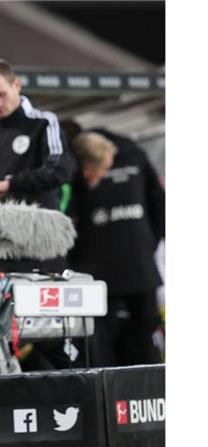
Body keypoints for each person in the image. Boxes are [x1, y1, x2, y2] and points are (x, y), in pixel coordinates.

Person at [67, 130, 164, 366]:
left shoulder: (132, 155)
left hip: (109, 274)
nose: (99, 176)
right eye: (98, 172)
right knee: (134, 335)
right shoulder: (74, 170)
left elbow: (160, 206)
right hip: (129, 272)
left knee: (108, 341)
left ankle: (131, 393)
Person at [0, 58, 75, 211]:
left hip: (37, 226)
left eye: (1, 94)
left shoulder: (44, 122)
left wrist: (9, 184)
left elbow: (59, 170)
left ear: (17, 85)